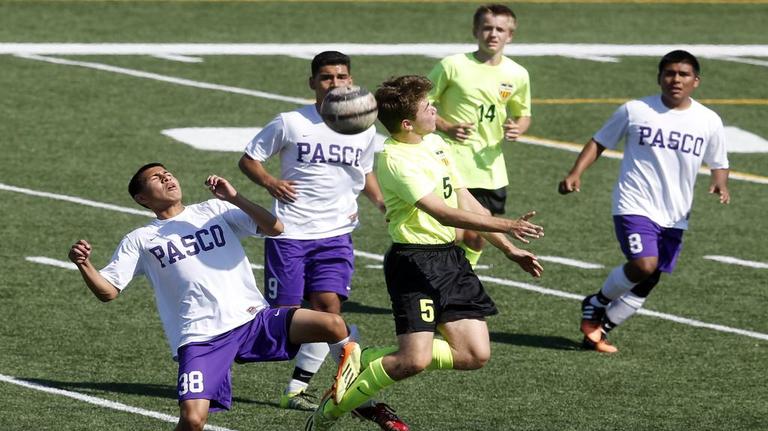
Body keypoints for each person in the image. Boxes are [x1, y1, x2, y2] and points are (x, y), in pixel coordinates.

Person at [306, 75, 544, 431]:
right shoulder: (394, 158)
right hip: (414, 262)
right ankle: (329, 412)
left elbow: (464, 200)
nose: (435, 109)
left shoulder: (436, 144)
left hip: (451, 259)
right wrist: (507, 224)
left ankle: (365, 358)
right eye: (426, 107)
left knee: (476, 354)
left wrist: (508, 249)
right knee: (412, 361)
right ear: (406, 124)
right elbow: (441, 211)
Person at [68, 163, 362, 431]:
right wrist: (85, 265)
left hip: (252, 320)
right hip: (201, 338)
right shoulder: (140, 239)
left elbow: (275, 227)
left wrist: (234, 197)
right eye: (156, 178)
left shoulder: (212, 210)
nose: (167, 177)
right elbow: (108, 291)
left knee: (334, 325)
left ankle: (353, 399)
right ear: (142, 198)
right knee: (194, 419)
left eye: (168, 172)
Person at [238, 51, 408, 431]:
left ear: (351, 80)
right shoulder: (291, 122)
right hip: (290, 232)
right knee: (284, 315)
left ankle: (315, 391)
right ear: (313, 82)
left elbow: (364, 172)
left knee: (329, 311)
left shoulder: (363, 124)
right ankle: (227, 346)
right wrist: (271, 182)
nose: (335, 83)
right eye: (327, 77)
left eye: (342, 77)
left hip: (336, 234)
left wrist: (381, 202)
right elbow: (249, 160)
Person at [558, 50, 731, 353]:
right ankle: (596, 303)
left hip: (676, 212)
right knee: (644, 264)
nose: (675, 79)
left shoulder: (709, 120)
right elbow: (600, 141)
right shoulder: (636, 110)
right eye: (669, 73)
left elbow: (719, 160)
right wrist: (576, 172)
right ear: (660, 77)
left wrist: (720, 181)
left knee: (651, 278)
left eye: (683, 74)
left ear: (696, 81)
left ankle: (600, 330)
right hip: (634, 203)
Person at [426, 3, 532, 268]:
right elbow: (422, 104)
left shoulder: (517, 74)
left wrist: (518, 127)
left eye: (500, 29)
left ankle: (461, 281)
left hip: (489, 167)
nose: (493, 34)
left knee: (477, 237)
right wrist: (447, 126)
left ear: (510, 35)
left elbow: (524, 114)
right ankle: (440, 280)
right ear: (476, 30)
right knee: (454, 232)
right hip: (451, 162)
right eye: (487, 28)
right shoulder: (452, 65)